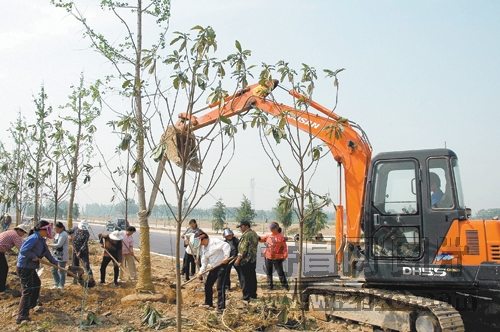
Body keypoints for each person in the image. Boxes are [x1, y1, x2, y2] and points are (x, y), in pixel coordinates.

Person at [16, 220, 58, 324]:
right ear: (42, 230)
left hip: (30, 268)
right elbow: (23, 250)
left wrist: (54, 263)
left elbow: (46, 253)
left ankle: (32, 305)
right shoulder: (33, 238)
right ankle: (21, 316)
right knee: (27, 291)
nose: (49, 231)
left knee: (36, 284)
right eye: (47, 229)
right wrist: (33, 256)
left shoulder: (41, 240)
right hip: (25, 268)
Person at [194, 231, 231, 313]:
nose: (200, 244)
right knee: (208, 285)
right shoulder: (204, 248)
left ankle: (221, 308)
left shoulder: (215, 242)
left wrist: (226, 257)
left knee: (220, 287)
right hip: (214, 267)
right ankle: (208, 303)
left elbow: (226, 246)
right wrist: (200, 272)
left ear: (205, 238)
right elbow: (204, 261)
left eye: (201, 242)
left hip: (222, 265)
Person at [259, 222, 289, 291]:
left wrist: (285, 255)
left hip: (277, 258)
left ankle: (285, 286)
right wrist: (256, 236)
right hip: (268, 257)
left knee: (280, 272)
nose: (271, 229)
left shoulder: (281, 237)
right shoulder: (268, 236)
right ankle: (270, 286)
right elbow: (261, 240)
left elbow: (284, 247)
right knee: (269, 272)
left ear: (277, 228)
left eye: (272, 228)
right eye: (270, 228)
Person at [234, 220, 259, 301]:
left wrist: (238, 260)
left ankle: (246, 296)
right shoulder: (254, 234)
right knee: (252, 278)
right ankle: (253, 295)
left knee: (245, 278)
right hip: (252, 260)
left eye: (241, 227)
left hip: (245, 260)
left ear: (246, 226)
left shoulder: (247, 235)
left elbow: (243, 250)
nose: (241, 228)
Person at [0, 224, 29, 293]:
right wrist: (29, 256)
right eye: (23, 232)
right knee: (4, 269)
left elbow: (5, 244)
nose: (23, 234)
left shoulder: (10, 232)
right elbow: (21, 249)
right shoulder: (16, 236)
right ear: (19, 230)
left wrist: (12, 252)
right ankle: (1, 288)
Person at [48, 222, 69, 290]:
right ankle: (56, 283)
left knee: (61, 270)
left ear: (61, 228)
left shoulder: (63, 234)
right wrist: (50, 228)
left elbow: (59, 244)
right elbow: (50, 235)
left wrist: (49, 245)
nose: (55, 230)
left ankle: (61, 284)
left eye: (56, 229)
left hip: (62, 255)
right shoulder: (57, 233)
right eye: (55, 228)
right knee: (54, 270)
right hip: (55, 254)